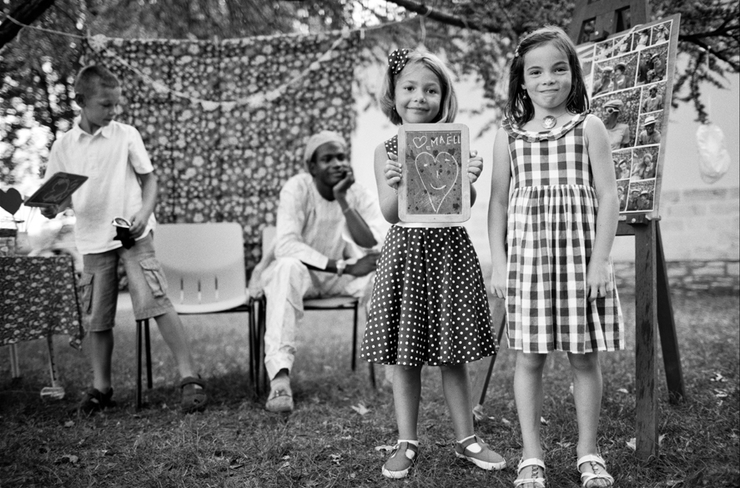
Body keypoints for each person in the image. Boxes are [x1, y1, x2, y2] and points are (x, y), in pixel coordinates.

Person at [488, 27, 623, 488]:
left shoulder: (589, 127)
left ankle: (588, 452)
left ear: (573, 74)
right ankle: (531, 455)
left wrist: (600, 261)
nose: (548, 79)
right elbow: (498, 204)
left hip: (579, 261)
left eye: (559, 68)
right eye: (536, 72)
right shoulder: (508, 137)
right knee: (530, 359)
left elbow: (608, 196)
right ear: (522, 81)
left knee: (583, 358)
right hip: (529, 263)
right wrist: (500, 262)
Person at [360, 48, 504, 479]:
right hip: (406, 253)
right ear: (394, 94)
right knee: (405, 357)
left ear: (443, 98)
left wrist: (469, 180)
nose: (419, 97)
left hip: (448, 254)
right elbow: (390, 214)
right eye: (409, 88)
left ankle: (467, 439)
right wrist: (394, 184)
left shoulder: (454, 141)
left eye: (430, 90)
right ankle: (407, 441)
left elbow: (463, 205)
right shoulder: (386, 149)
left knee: (452, 353)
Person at [41, 65, 207, 415]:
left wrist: (144, 213)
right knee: (98, 317)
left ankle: (189, 377)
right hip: (92, 240)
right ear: (80, 101)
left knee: (156, 301)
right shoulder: (63, 146)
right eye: (106, 104)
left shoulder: (126, 135)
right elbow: (57, 200)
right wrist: (50, 209)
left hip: (134, 234)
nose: (113, 111)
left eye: (116, 104)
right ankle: (101, 387)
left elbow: (150, 180)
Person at [253, 130, 386, 414]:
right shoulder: (297, 188)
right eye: (328, 159)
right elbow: (286, 245)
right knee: (286, 267)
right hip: (304, 276)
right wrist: (342, 266)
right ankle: (280, 379)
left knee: (381, 277)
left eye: (341, 157)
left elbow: (373, 244)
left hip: (340, 278)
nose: (338, 163)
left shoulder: (357, 193)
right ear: (311, 167)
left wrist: (343, 199)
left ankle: (393, 368)